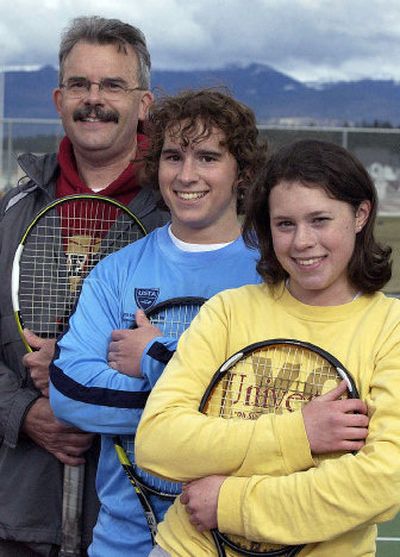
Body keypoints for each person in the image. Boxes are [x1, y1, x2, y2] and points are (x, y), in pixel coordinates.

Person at [136, 139, 399, 557]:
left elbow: (383, 481)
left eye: (320, 220)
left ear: (361, 215)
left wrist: (230, 504)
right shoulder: (228, 311)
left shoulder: (390, 329)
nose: (302, 242)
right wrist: (301, 433)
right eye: (285, 224)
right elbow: (158, 442)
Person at [49, 88, 268, 557]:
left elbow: (280, 408)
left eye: (208, 157)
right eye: (173, 156)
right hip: (122, 541)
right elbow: (70, 393)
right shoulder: (116, 271)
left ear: (243, 172)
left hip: (238, 540)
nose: (187, 175)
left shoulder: (274, 273)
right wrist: (215, 413)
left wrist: (149, 361)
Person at [0, 15, 168, 557]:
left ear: (145, 103)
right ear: (58, 97)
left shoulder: (182, 214)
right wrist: (22, 413)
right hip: (19, 518)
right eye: (80, 84)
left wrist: (81, 383)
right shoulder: (10, 212)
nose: (94, 99)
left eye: (113, 85)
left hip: (139, 524)